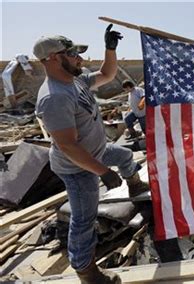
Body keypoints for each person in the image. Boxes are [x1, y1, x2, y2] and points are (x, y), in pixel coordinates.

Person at [33, 25, 148, 283]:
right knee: (84, 219)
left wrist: (110, 49)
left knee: (125, 156)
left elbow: (107, 74)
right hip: (77, 167)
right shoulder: (54, 98)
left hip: (97, 151)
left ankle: (134, 184)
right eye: (72, 53)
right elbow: (68, 146)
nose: (80, 58)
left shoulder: (76, 80)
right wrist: (103, 172)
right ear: (52, 58)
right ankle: (86, 271)